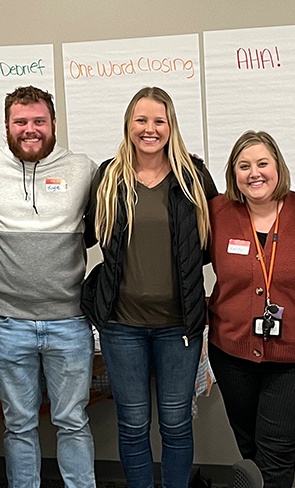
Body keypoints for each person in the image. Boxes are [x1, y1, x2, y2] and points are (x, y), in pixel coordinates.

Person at [82, 86, 218, 488]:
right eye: (141, 120)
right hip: (121, 324)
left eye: (159, 120)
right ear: (128, 124)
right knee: (133, 422)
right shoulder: (108, 176)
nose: (150, 128)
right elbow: (88, 234)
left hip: (180, 325)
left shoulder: (193, 176)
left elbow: (212, 243)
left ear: (170, 126)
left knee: (176, 423)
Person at [0, 86, 98, 488]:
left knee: (73, 421)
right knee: (19, 424)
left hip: (69, 321)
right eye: (20, 122)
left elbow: (99, 224)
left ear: (54, 124)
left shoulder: (84, 169)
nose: (30, 129)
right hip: (8, 323)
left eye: (39, 121)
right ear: (7, 126)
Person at [207, 130, 295, 488]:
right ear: (233, 173)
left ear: (278, 167)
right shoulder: (217, 213)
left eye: (262, 163)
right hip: (231, 354)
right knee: (250, 452)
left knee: (274, 456)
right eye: (243, 166)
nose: (254, 173)